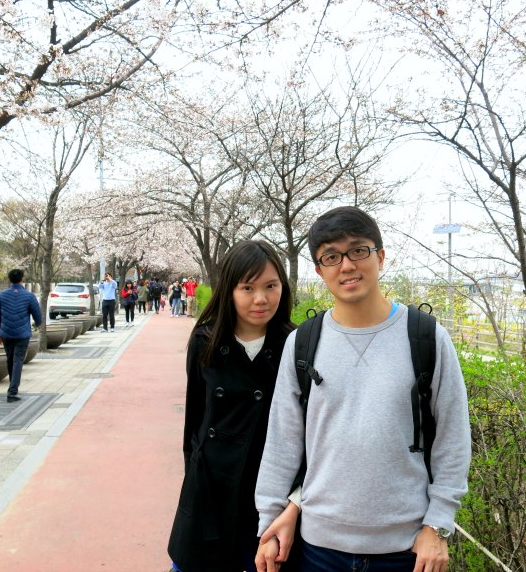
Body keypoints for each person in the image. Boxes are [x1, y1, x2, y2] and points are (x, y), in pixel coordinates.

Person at [254, 206, 471, 572]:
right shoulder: (304, 343)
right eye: (331, 256)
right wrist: (271, 520)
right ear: (320, 270)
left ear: (380, 256)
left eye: (358, 250)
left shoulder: (427, 337)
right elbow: (282, 442)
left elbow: (453, 439)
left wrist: (437, 524)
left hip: (407, 549)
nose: (347, 265)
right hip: (317, 548)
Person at [168, 240, 296, 572]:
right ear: (229, 291)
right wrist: (193, 479)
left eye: (271, 286)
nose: (261, 299)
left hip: (268, 492)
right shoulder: (205, 342)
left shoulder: (295, 345)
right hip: (209, 488)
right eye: (248, 287)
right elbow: (194, 423)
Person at [0, 269, 42, 403]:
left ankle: (12, 387)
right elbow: (38, 316)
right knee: (18, 360)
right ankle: (12, 392)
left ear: (9, 280)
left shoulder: (1, 295)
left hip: (6, 334)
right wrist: (37, 324)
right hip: (22, 334)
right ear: (22, 280)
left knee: (10, 359)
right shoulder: (29, 296)